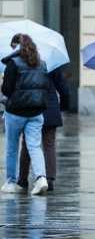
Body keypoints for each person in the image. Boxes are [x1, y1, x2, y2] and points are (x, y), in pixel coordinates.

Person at [0, 34, 49, 196]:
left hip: (15, 112)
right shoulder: (41, 64)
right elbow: (45, 87)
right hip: (36, 112)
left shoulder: (13, 64)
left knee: (12, 147)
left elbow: (6, 90)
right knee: (34, 146)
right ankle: (41, 178)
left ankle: (11, 182)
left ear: (17, 47)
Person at [18, 64, 70, 193]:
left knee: (27, 144)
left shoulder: (24, 62)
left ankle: (23, 179)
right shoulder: (52, 63)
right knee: (49, 145)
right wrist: (62, 107)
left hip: (30, 106)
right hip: (50, 107)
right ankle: (50, 179)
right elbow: (64, 89)